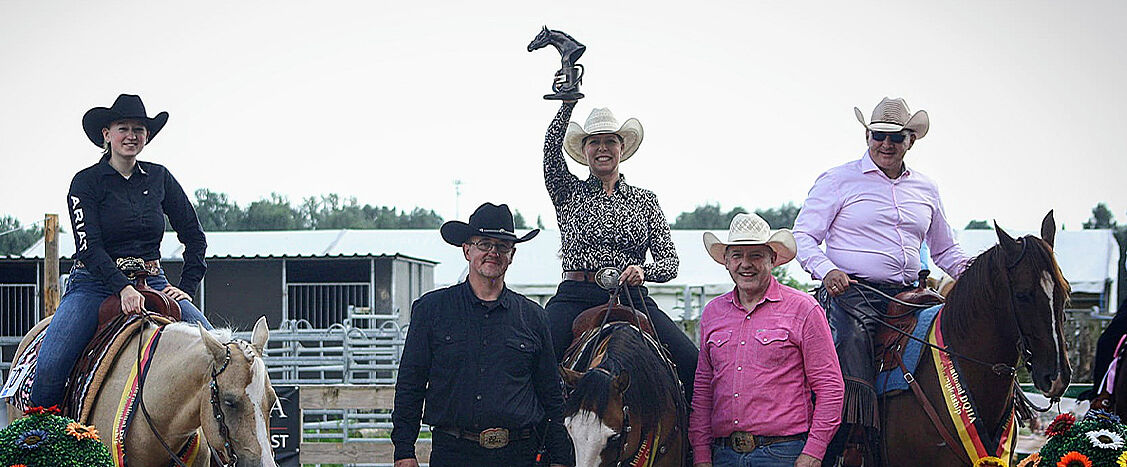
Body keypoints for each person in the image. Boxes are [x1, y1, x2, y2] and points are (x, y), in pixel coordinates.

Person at [792, 97, 971, 463]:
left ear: (911, 141)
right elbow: (802, 237)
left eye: (896, 137)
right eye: (879, 135)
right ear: (868, 136)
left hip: (915, 293)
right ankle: (849, 443)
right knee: (853, 344)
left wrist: (975, 276)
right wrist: (827, 271)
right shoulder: (837, 180)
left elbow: (945, 250)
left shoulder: (926, 188)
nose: (886, 144)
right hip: (854, 292)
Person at [31, 94, 214, 408]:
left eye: (139, 129)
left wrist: (185, 288)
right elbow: (89, 248)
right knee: (50, 367)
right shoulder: (85, 183)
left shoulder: (160, 178)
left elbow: (195, 238)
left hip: (152, 282)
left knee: (219, 352)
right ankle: (41, 446)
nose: (131, 135)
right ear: (107, 134)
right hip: (94, 284)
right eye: (123, 128)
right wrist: (123, 287)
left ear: (146, 136)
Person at [391, 203, 573, 467]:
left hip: (519, 454)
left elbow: (551, 395)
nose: (493, 253)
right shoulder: (431, 311)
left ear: (512, 255)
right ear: (467, 250)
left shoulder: (533, 317)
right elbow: (411, 384)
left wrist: (560, 458)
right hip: (454, 453)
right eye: (485, 244)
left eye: (502, 246)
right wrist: (404, 451)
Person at [543, 101, 698, 403]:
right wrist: (567, 103)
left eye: (610, 141)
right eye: (594, 142)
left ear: (621, 147)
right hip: (576, 294)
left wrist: (645, 271)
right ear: (584, 150)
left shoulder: (646, 200)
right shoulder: (567, 192)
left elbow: (670, 262)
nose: (603, 148)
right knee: (532, 356)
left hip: (632, 296)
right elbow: (550, 151)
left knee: (692, 362)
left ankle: (694, 447)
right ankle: (536, 445)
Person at [690, 213, 843, 467]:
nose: (745, 264)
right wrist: (702, 455)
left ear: (772, 259)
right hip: (724, 454)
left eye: (756, 256)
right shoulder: (712, 313)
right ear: (726, 261)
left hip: (784, 453)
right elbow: (704, 390)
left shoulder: (803, 309)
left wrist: (814, 451)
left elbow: (830, 387)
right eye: (737, 255)